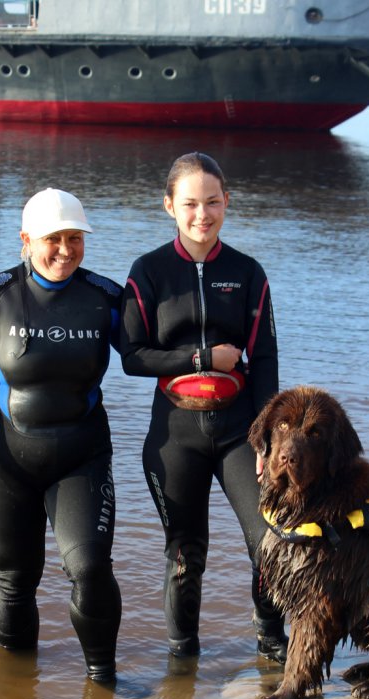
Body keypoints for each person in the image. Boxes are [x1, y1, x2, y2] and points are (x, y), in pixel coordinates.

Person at [0, 188, 122, 683]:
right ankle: (17, 695)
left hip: (80, 457)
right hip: (6, 460)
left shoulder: (105, 297)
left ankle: (104, 682)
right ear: (25, 239)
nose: (65, 250)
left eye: (74, 238)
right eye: (52, 239)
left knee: (89, 569)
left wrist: (206, 360)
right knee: (16, 581)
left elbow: (150, 353)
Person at [120, 152, 287, 662]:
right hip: (175, 434)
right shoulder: (148, 272)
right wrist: (200, 357)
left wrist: (269, 440)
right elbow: (132, 356)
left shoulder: (247, 272)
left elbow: (265, 361)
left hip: (240, 432)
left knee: (270, 542)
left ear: (226, 202)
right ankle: (183, 656)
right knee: (185, 553)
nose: (202, 214)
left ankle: (270, 637)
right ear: (169, 205)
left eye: (212, 202)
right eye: (190, 203)